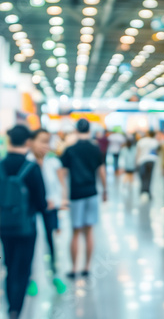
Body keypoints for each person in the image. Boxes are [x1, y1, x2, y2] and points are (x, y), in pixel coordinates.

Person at [0, 125, 48, 319]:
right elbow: (41, 202)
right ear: (28, 142)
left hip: (2, 225)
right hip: (26, 226)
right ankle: (16, 310)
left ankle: (10, 305)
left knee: (9, 265)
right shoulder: (32, 168)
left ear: (8, 141)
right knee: (23, 268)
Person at [59, 119, 107, 279]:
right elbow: (101, 171)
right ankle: (87, 267)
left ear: (76, 130)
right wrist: (105, 189)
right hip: (91, 192)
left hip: (76, 194)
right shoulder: (95, 149)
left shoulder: (70, 150)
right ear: (89, 129)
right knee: (89, 231)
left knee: (75, 232)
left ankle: (73, 268)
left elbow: (62, 173)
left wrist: (63, 194)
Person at [26, 129, 67, 296]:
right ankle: (32, 278)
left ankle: (55, 276)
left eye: (47, 142)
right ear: (31, 142)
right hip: (32, 211)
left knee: (52, 244)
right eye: (42, 141)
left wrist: (58, 202)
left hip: (50, 210)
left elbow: (60, 186)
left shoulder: (53, 162)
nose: (45, 146)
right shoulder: (27, 163)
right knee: (33, 246)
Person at [136, 130, 159, 200]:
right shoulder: (155, 142)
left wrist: (136, 161)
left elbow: (138, 152)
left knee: (143, 176)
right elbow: (156, 152)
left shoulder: (141, 141)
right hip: (152, 160)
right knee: (149, 177)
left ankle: (142, 190)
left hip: (142, 160)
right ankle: (148, 191)